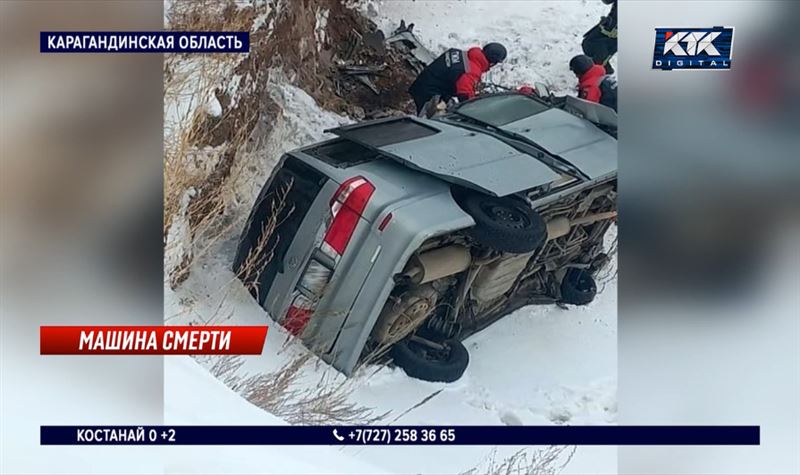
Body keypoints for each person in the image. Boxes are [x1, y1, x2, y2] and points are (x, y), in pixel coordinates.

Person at [408, 43, 507, 115]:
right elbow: (465, 97)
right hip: (427, 95)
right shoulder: (471, 71)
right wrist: (474, 111)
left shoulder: (461, 54)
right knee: (433, 124)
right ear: (492, 62)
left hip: (425, 83)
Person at [581, 0, 617, 74]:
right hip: (608, 25)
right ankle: (603, 70)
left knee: (600, 55)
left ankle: (601, 73)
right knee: (588, 44)